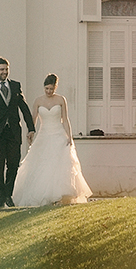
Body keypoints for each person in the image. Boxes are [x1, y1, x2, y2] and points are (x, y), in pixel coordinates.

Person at [11, 73, 92, 207]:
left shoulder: (61, 100)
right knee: (41, 164)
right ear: (44, 87)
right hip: (44, 135)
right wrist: (30, 132)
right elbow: (33, 120)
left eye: (51, 89)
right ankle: (42, 196)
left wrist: (69, 136)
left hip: (59, 134)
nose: (49, 91)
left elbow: (65, 119)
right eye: (46, 89)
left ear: (55, 87)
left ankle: (59, 196)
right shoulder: (38, 101)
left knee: (59, 164)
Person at [0, 57, 36, 208]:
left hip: (13, 133)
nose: (4, 72)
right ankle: (0, 199)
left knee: (13, 164)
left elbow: (24, 108)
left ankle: (8, 195)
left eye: (6, 69)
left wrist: (31, 128)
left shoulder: (15, 86)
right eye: (2, 69)